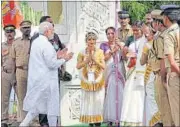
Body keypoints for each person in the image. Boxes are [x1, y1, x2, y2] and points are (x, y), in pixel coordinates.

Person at [19, 22, 73, 126]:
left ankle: (23, 124)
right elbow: (52, 64)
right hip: (48, 82)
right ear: (47, 31)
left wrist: (58, 55)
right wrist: (64, 59)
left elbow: (45, 60)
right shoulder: (46, 44)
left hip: (39, 81)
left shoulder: (36, 42)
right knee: (52, 108)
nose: (53, 32)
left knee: (36, 107)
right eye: (52, 30)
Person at [31, 15, 65, 127]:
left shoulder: (55, 36)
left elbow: (59, 49)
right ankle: (44, 122)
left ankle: (52, 122)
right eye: (50, 24)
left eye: (53, 24)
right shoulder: (36, 38)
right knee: (43, 100)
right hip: (42, 75)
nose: (52, 26)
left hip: (54, 73)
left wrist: (61, 56)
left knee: (52, 100)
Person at [148, 9, 174, 127]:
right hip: (167, 74)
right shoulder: (167, 34)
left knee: (165, 108)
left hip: (161, 74)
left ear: (158, 23)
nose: (152, 24)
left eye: (153, 21)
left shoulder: (161, 38)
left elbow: (163, 59)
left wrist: (162, 79)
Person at [120, 21, 147, 126]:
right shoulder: (131, 42)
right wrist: (125, 52)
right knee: (129, 93)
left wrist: (135, 55)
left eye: (137, 30)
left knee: (138, 94)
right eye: (133, 30)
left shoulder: (145, 41)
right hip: (131, 70)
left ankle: (140, 119)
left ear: (142, 30)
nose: (135, 32)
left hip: (141, 71)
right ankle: (129, 118)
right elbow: (125, 58)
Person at [76, 32, 105, 127]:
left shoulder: (100, 52)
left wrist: (95, 60)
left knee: (97, 100)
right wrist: (86, 61)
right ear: (86, 41)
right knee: (88, 101)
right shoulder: (82, 52)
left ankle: (97, 122)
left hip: (97, 79)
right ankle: (90, 122)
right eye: (89, 39)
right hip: (87, 79)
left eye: (93, 39)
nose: (91, 42)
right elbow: (78, 66)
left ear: (96, 41)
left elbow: (103, 66)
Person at [100, 27, 125, 126]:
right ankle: (110, 117)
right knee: (110, 93)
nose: (110, 35)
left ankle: (119, 117)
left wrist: (121, 47)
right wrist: (112, 51)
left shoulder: (120, 44)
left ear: (116, 34)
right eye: (108, 34)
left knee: (120, 92)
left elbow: (124, 57)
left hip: (119, 70)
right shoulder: (103, 45)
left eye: (112, 33)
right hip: (109, 71)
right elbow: (102, 59)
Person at [161, 5, 180, 126]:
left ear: (166, 18)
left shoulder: (169, 34)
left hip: (175, 74)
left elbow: (172, 62)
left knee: (177, 112)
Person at [10, 20, 32, 122]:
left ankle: (34, 120)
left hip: (33, 72)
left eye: (28, 27)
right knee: (22, 97)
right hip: (20, 71)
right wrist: (13, 76)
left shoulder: (34, 41)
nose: (27, 29)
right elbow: (12, 60)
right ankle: (24, 121)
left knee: (33, 96)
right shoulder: (16, 42)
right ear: (20, 29)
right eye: (24, 28)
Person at [140, 24, 162, 126]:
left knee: (152, 95)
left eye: (146, 34)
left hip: (152, 72)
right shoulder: (162, 42)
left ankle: (157, 120)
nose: (145, 36)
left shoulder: (148, 45)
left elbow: (142, 62)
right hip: (162, 72)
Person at [1, 25, 17, 125]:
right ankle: (4, 119)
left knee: (21, 98)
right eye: (7, 31)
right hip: (5, 74)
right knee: (4, 98)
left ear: (14, 33)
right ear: (5, 34)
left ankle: (23, 119)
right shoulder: (2, 46)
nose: (9, 33)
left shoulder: (18, 44)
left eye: (11, 31)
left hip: (17, 74)